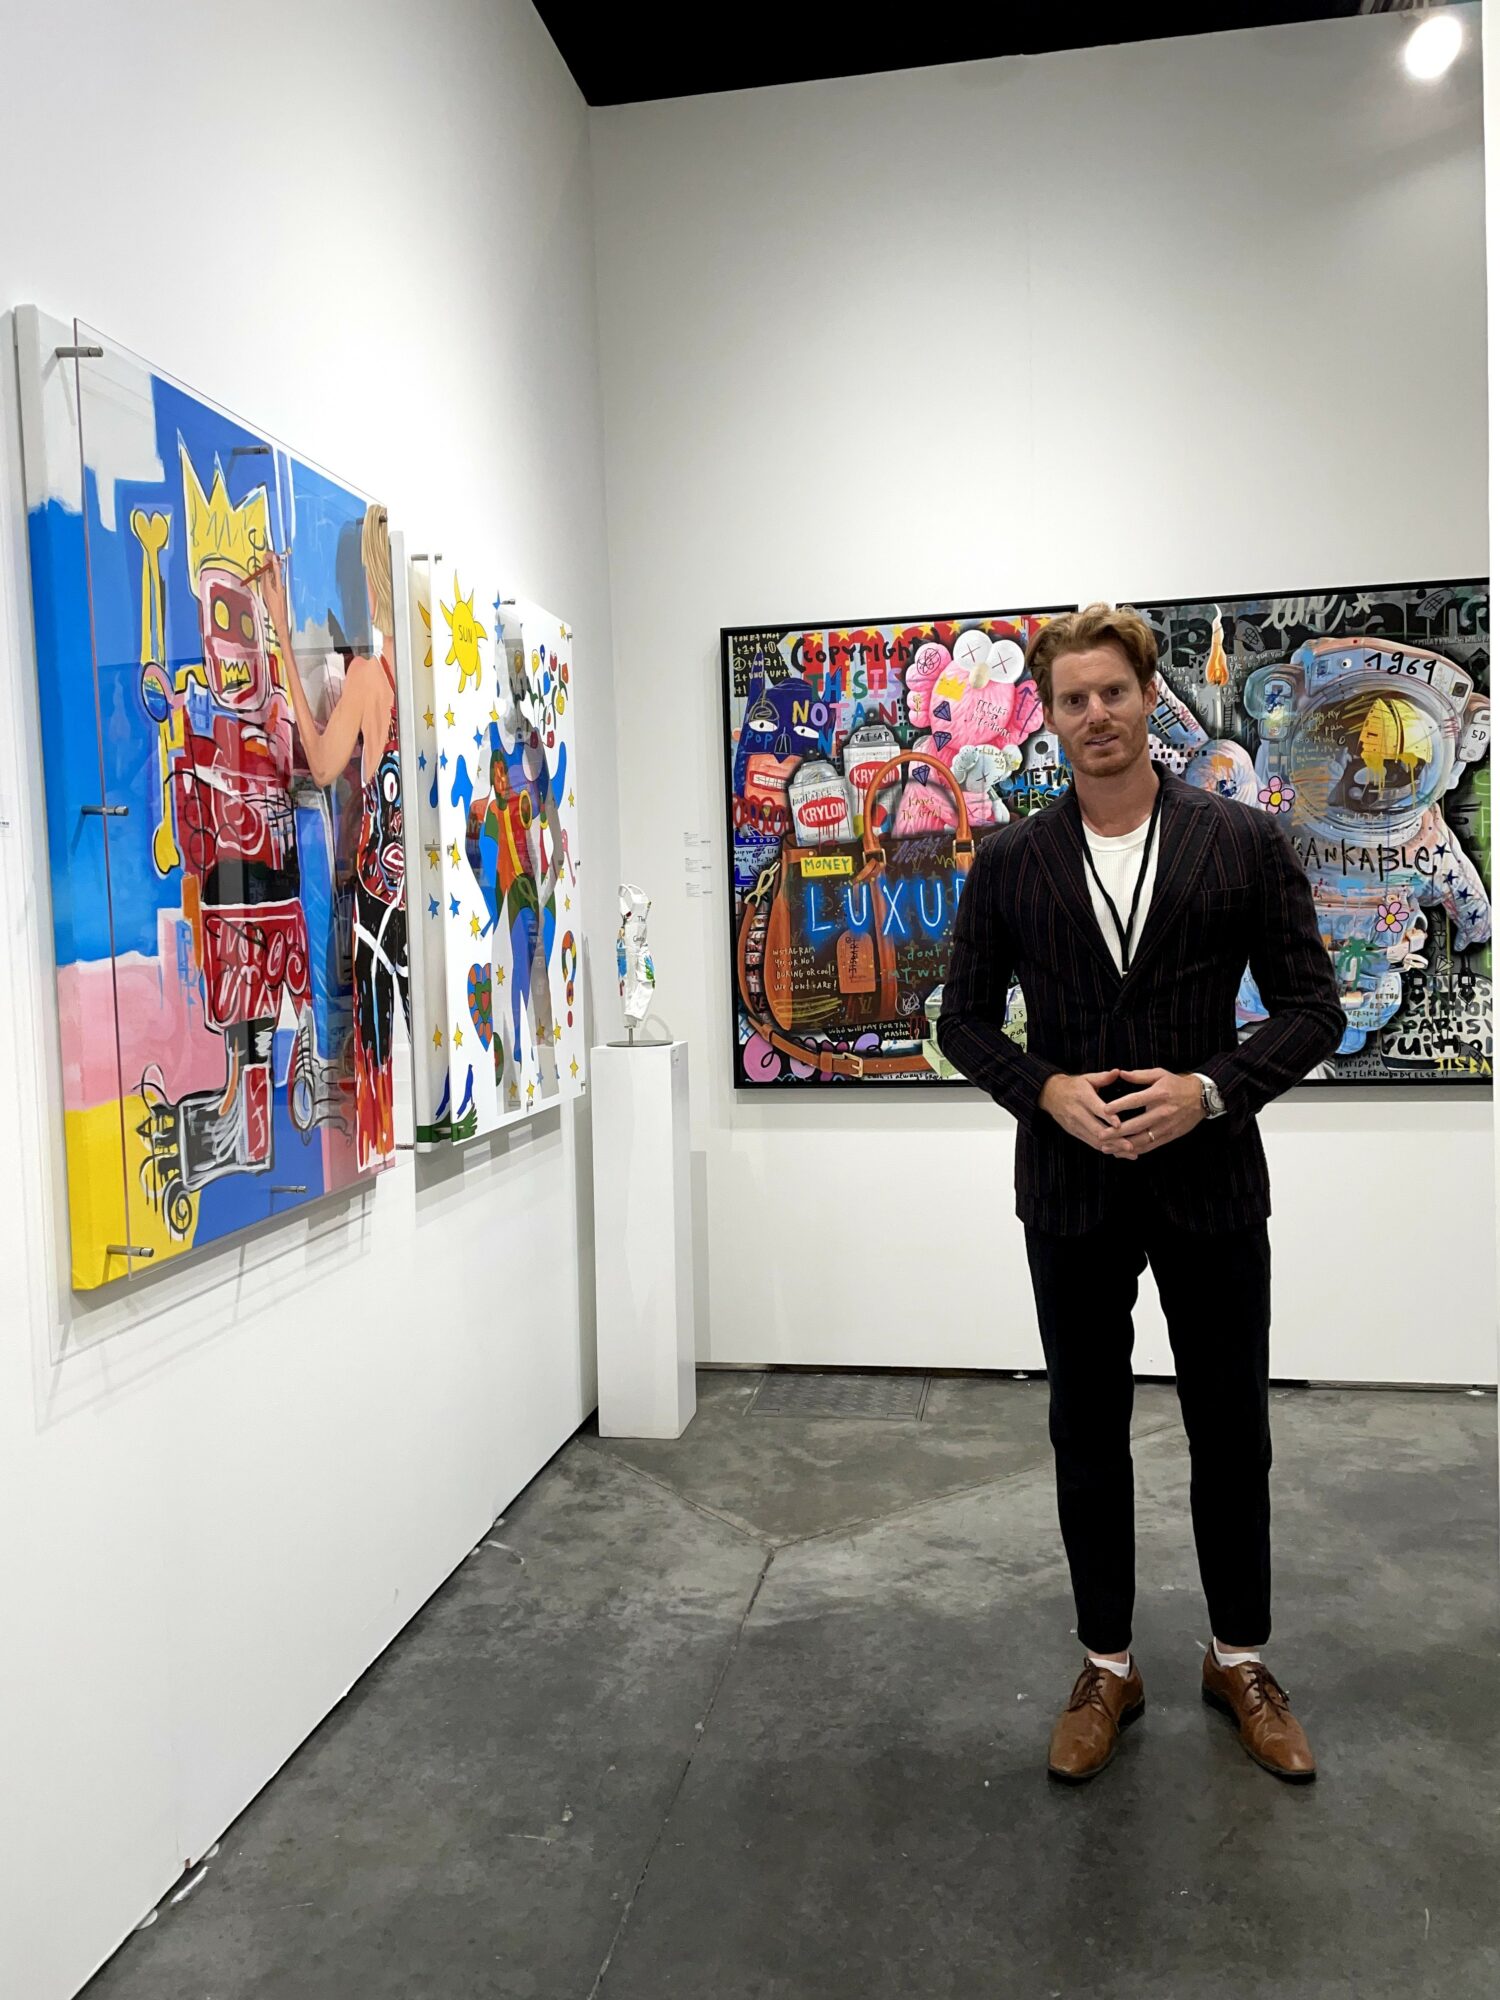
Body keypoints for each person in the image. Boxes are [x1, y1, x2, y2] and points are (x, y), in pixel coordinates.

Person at [937, 604, 1344, 1786]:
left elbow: (1314, 1007)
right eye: (1073, 699)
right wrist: (1046, 1089)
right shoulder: (1010, 859)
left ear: (1148, 696)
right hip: (1071, 1185)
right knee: (1084, 1425)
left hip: (1211, 1178)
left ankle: (1239, 1657)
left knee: (1233, 1427)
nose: (1096, 714)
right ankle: (1107, 1664)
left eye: (1113, 691)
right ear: (1049, 715)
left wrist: (1210, 1090)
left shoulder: (1241, 840)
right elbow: (962, 1021)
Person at [257, 506, 410, 1170]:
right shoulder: (415, 674)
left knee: (376, 1042)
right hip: (411, 888)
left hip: (376, 888)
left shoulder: (370, 676)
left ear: (369, 584)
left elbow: (320, 764)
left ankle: (380, 1149)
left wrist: (279, 632)